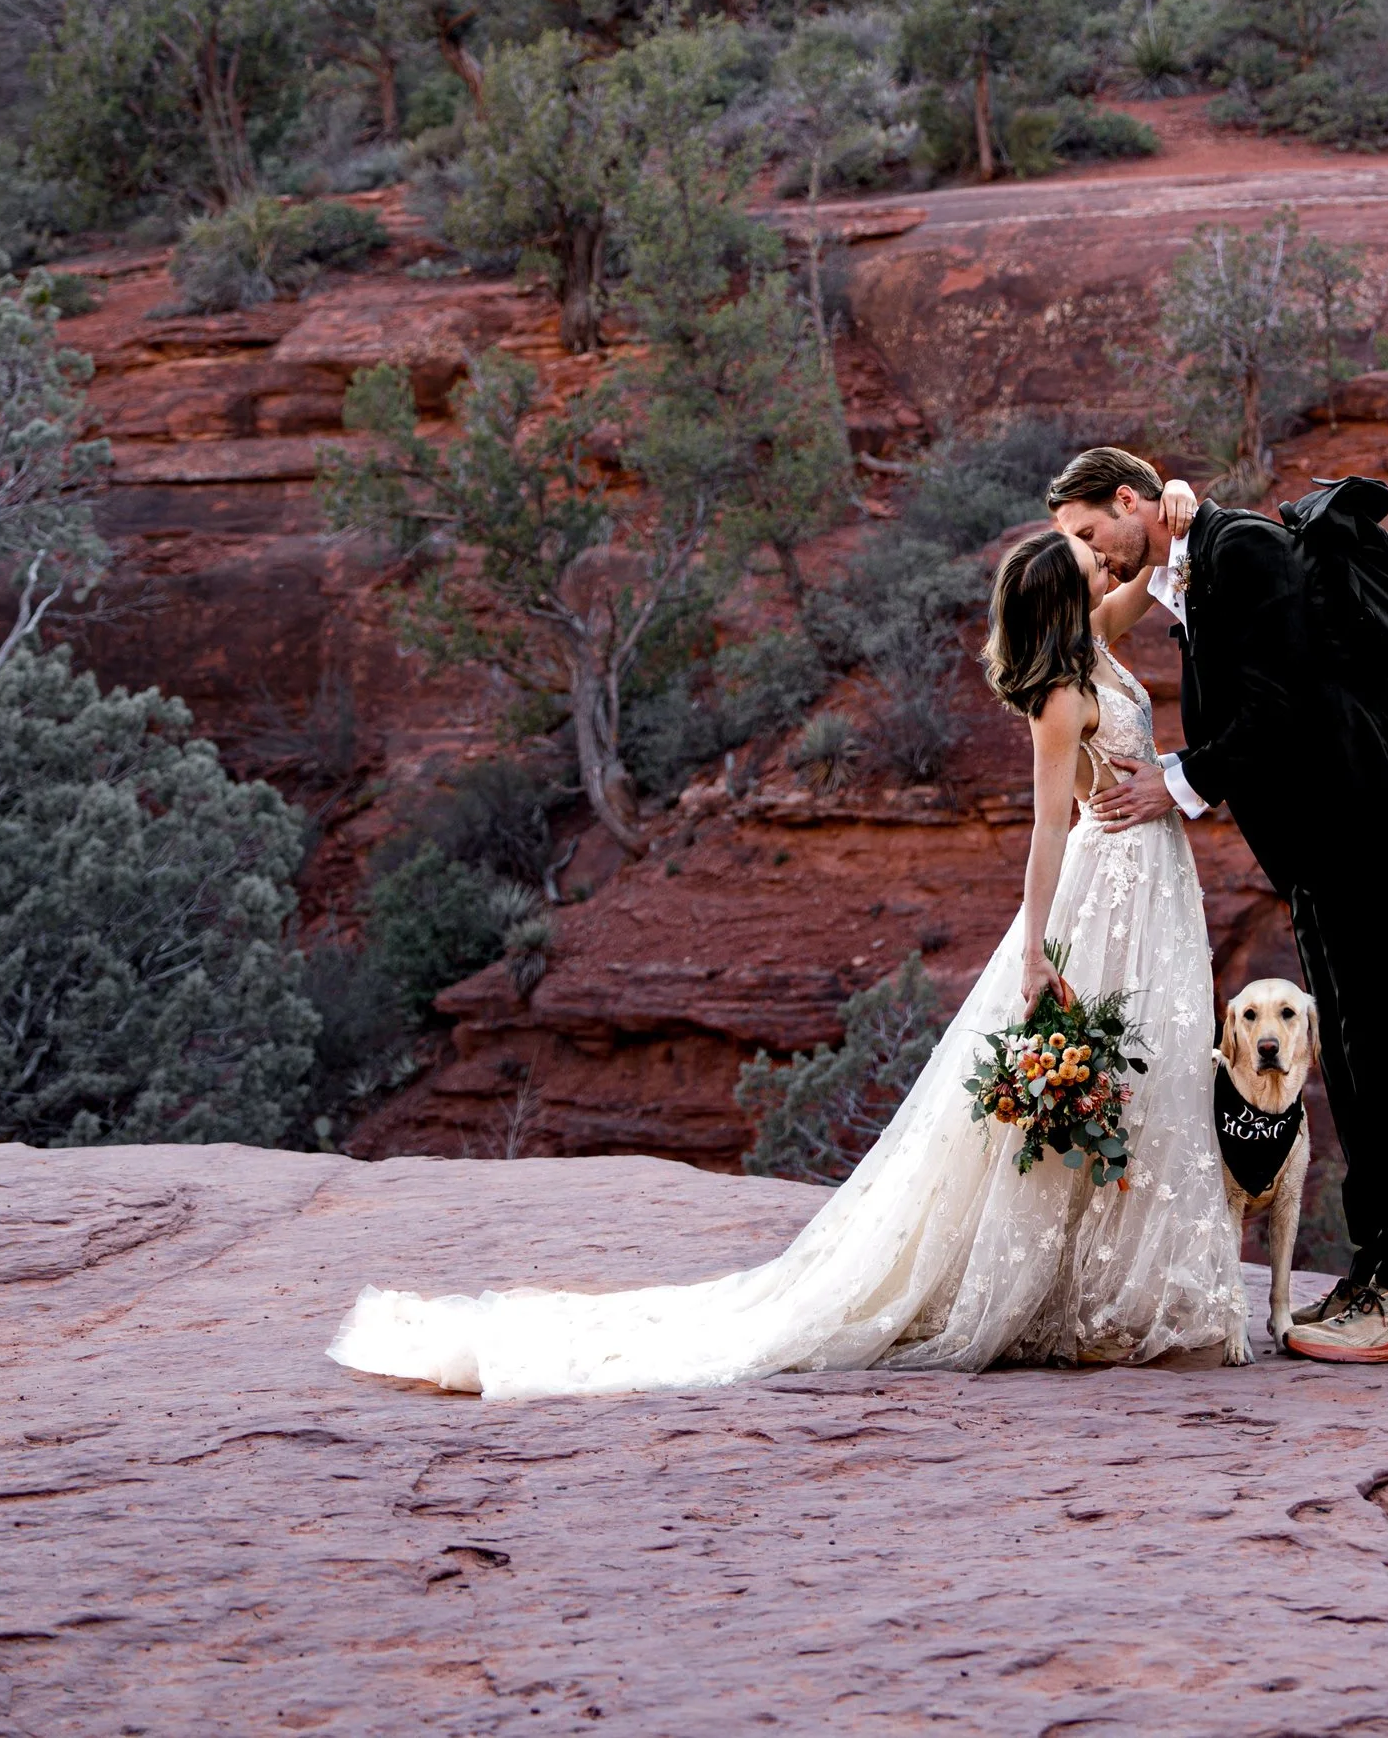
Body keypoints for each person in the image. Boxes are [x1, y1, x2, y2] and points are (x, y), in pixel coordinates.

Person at [326, 497, 1244, 1396]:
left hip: (1152, 881)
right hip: (1106, 885)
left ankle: (1121, 1286)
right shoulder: (1062, 697)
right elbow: (1047, 829)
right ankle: (1095, 1295)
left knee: (1151, 1068)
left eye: (1096, 554)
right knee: (1118, 1068)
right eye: (1090, 563)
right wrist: (1036, 951)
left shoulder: (1095, 644)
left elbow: (1157, 574)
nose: (1105, 565)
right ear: (1065, 599)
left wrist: (1181, 513)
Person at [1047, 444, 1388, 1364]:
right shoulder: (1195, 566)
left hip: (1363, 827)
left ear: (1127, 500)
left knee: (1386, 1049)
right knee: (1353, 1054)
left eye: (1090, 532)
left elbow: (1282, 703)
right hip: (1322, 847)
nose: (1091, 553)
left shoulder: (1241, 551)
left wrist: (1178, 782)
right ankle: (1375, 1273)